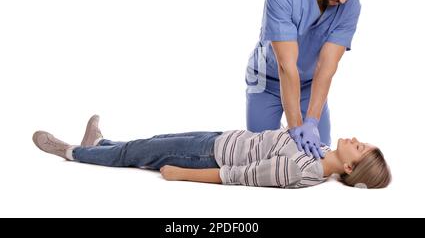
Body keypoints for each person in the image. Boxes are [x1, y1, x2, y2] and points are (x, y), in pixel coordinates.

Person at [245, 0, 373, 158]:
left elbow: (327, 67)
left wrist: (311, 121)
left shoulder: (351, 7)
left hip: (307, 84)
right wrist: (295, 127)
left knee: (319, 152)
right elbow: (287, 66)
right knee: (258, 153)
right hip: (266, 79)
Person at [32, 115, 391, 189]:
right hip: (221, 139)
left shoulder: (302, 170)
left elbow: (239, 176)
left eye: (359, 148)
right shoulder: (318, 150)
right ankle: (102, 144)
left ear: (348, 166)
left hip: (210, 156)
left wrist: (180, 174)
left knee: (141, 154)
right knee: (148, 143)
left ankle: (73, 152)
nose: (355, 138)